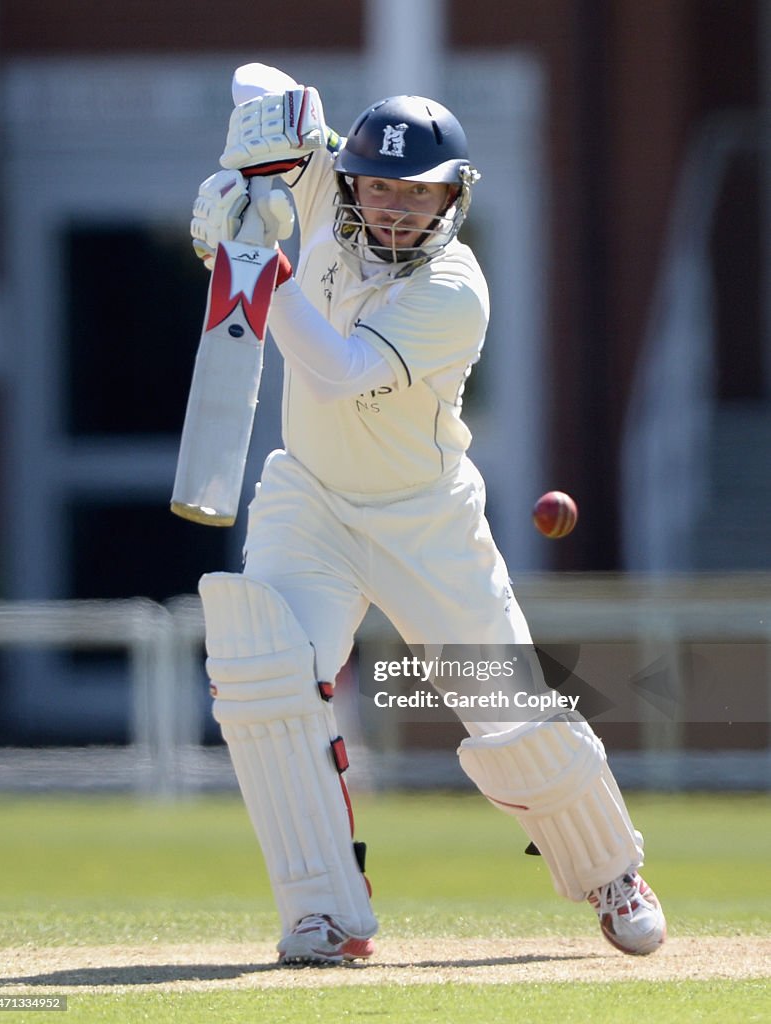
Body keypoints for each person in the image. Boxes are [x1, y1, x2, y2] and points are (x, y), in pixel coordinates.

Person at [189, 63, 667, 966]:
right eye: (380, 189)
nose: (397, 210)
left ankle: (610, 871)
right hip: (311, 501)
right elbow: (254, 81)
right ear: (353, 177)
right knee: (264, 675)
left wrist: (256, 259)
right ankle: (321, 911)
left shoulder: (455, 289)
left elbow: (331, 371)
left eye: (420, 194)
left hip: (426, 518)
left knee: (509, 711)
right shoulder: (321, 180)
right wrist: (246, 167)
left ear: (453, 196)